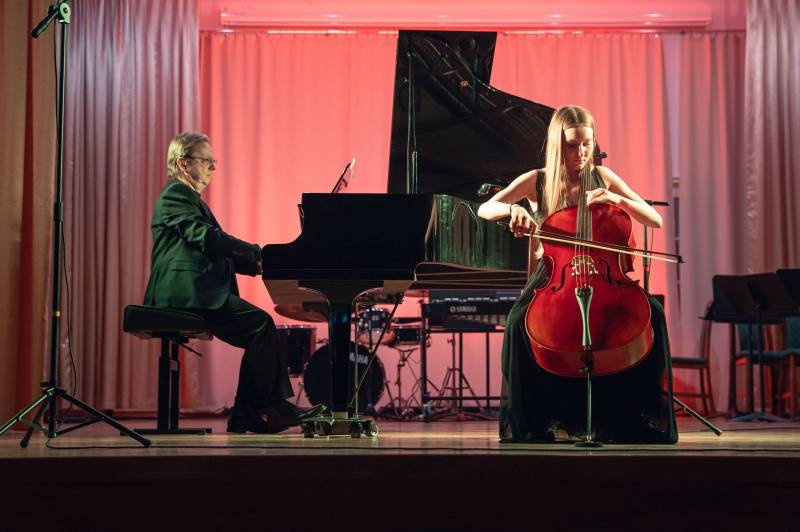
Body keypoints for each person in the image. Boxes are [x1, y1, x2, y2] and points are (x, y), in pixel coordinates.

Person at [477, 105, 677, 443]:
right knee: (516, 324)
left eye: (587, 144)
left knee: (653, 314)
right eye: (573, 145)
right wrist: (512, 210)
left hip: (602, 274)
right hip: (554, 276)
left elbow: (653, 219)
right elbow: (485, 207)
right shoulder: (538, 180)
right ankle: (532, 423)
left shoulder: (603, 177)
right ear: (559, 144)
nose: (582, 153)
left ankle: (633, 417)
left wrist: (617, 199)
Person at [143, 132, 324, 433]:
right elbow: (206, 238)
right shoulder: (176, 194)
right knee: (260, 326)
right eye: (206, 160)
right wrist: (257, 253)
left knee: (260, 329)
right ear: (183, 163)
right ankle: (263, 409)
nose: (213, 167)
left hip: (196, 291)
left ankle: (251, 412)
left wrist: (260, 263)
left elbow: (211, 247)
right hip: (184, 293)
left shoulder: (189, 199)